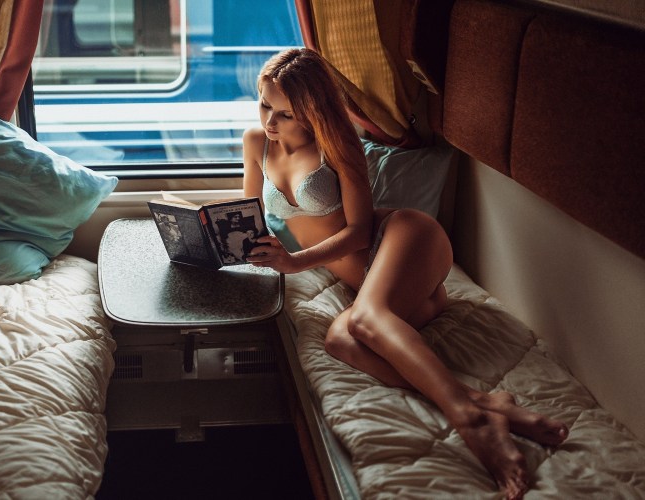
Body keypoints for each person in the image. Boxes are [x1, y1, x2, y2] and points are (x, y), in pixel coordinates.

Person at [241, 48, 568, 500]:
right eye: (264, 104)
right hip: (389, 282)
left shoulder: (339, 145)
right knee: (339, 340)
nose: (271, 122)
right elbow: (248, 216)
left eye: (286, 114)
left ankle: (471, 422)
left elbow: (358, 234)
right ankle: (488, 404)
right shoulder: (257, 142)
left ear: (313, 113)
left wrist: (295, 261)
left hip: (403, 238)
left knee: (362, 320)